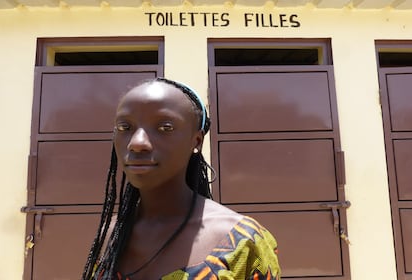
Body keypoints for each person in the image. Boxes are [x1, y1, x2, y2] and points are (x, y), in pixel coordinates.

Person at [82, 77, 280, 279]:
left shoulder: (243, 241)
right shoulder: (111, 235)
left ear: (197, 141)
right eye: (125, 128)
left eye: (165, 128)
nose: (137, 143)